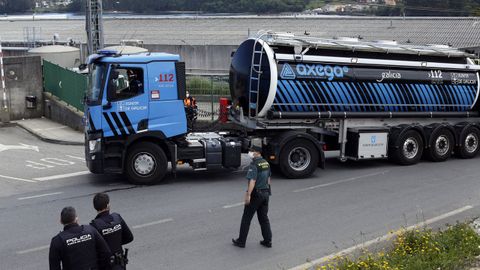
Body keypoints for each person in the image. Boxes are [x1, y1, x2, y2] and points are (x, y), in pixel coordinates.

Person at [232, 144, 272, 248]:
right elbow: (268, 179)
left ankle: (241, 241)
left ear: (258, 153)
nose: (250, 153)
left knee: (246, 218)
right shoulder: (266, 163)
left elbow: (252, 181)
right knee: (264, 218)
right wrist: (268, 191)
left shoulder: (254, 165)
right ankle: (268, 241)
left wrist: (248, 195)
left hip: (256, 194)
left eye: (252, 151)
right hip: (265, 194)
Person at [91, 193, 134, 270]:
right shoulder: (117, 217)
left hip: (104, 265)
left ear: (95, 207)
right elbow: (129, 237)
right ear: (108, 205)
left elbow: (93, 249)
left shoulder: (94, 225)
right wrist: (116, 241)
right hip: (120, 264)